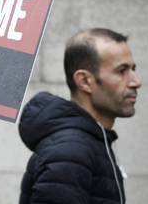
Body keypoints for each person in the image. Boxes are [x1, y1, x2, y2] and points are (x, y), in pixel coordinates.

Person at [18, 28, 141, 204]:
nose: (136, 82)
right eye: (122, 71)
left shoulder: (92, 142)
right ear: (84, 81)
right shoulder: (69, 153)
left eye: (133, 69)